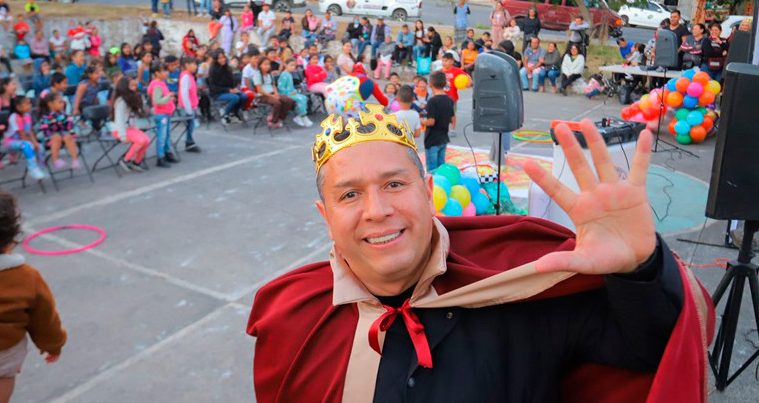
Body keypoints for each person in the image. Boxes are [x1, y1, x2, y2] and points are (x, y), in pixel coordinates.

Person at [248, 92, 712, 401]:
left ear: (427, 191)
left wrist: (639, 270)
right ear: (325, 216)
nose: (376, 210)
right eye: (349, 194)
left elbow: (651, 356)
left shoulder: (521, 280)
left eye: (394, 183)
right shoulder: (292, 319)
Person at [0, 187, 66, 383]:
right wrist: (53, 345)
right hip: (4, 357)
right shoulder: (26, 277)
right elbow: (45, 319)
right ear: (10, 240)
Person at [111, 76, 150, 172]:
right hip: (119, 130)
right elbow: (119, 119)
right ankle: (126, 160)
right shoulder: (121, 101)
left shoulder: (132, 97)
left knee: (147, 140)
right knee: (140, 140)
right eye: (132, 86)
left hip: (130, 128)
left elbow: (133, 116)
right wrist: (123, 136)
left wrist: (136, 128)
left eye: (135, 85)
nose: (135, 87)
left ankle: (137, 162)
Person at [4, 96, 46, 179]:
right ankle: (33, 167)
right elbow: (21, 133)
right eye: (27, 104)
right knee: (27, 145)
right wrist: (31, 143)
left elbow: (30, 131)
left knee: (40, 147)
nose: (30, 105)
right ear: (18, 107)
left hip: (23, 141)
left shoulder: (27, 116)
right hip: (11, 142)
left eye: (30, 103)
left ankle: (41, 167)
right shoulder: (14, 117)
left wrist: (34, 142)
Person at [38, 91, 80, 170]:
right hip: (51, 136)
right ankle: (55, 160)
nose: (63, 104)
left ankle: (75, 159)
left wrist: (72, 134)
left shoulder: (62, 114)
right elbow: (45, 129)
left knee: (68, 137)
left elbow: (69, 124)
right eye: (60, 102)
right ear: (51, 104)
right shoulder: (46, 117)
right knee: (56, 137)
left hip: (63, 133)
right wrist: (49, 139)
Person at [422, 70, 454, 171]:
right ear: (445, 84)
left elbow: (431, 121)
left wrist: (420, 121)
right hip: (444, 137)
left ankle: (434, 186)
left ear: (430, 85)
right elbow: (452, 118)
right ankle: (442, 185)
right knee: (441, 167)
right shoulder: (449, 99)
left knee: (432, 169)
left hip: (432, 139)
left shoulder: (432, 101)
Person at [148, 61, 177, 167]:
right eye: (163, 71)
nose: (166, 73)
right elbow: (157, 101)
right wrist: (168, 97)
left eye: (166, 70)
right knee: (162, 135)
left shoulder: (162, 83)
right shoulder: (156, 85)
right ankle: (160, 156)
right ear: (157, 73)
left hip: (166, 112)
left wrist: (169, 98)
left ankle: (167, 152)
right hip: (161, 114)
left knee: (167, 134)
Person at [253, 56, 294, 129]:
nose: (267, 66)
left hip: (272, 93)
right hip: (263, 95)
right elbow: (259, 90)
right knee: (277, 103)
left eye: (268, 64)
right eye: (265, 64)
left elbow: (273, 85)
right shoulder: (257, 75)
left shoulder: (269, 74)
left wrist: (276, 94)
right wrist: (272, 96)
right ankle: (274, 120)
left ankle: (278, 117)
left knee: (289, 100)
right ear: (260, 65)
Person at [209, 48, 247, 124]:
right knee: (235, 98)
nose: (222, 60)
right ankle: (225, 115)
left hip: (229, 90)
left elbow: (231, 81)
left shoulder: (227, 68)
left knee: (244, 96)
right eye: (220, 58)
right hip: (218, 93)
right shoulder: (213, 70)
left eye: (223, 57)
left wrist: (234, 88)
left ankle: (234, 112)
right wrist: (228, 90)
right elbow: (214, 87)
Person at [439, 51, 468, 137]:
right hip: (441, 97)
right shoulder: (440, 71)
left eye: (446, 61)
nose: (444, 63)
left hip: (452, 97)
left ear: (452, 61)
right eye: (443, 61)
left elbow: (466, 76)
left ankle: (452, 129)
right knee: (441, 114)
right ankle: (443, 129)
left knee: (452, 114)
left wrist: (469, 82)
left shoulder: (457, 70)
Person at [278, 59, 311, 127]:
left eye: (294, 66)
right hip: (286, 94)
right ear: (285, 65)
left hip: (292, 92)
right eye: (291, 65)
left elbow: (291, 86)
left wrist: (294, 91)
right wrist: (288, 93)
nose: (293, 67)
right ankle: (301, 116)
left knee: (304, 98)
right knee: (300, 99)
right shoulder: (284, 75)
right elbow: (281, 87)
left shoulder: (289, 74)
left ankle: (301, 115)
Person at [178, 56, 201, 152]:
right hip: (187, 107)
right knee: (189, 126)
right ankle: (189, 141)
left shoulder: (190, 75)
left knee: (190, 126)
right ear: (187, 65)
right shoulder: (185, 76)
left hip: (192, 105)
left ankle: (189, 141)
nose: (196, 66)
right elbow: (184, 93)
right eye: (194, 64)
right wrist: (188, 109)